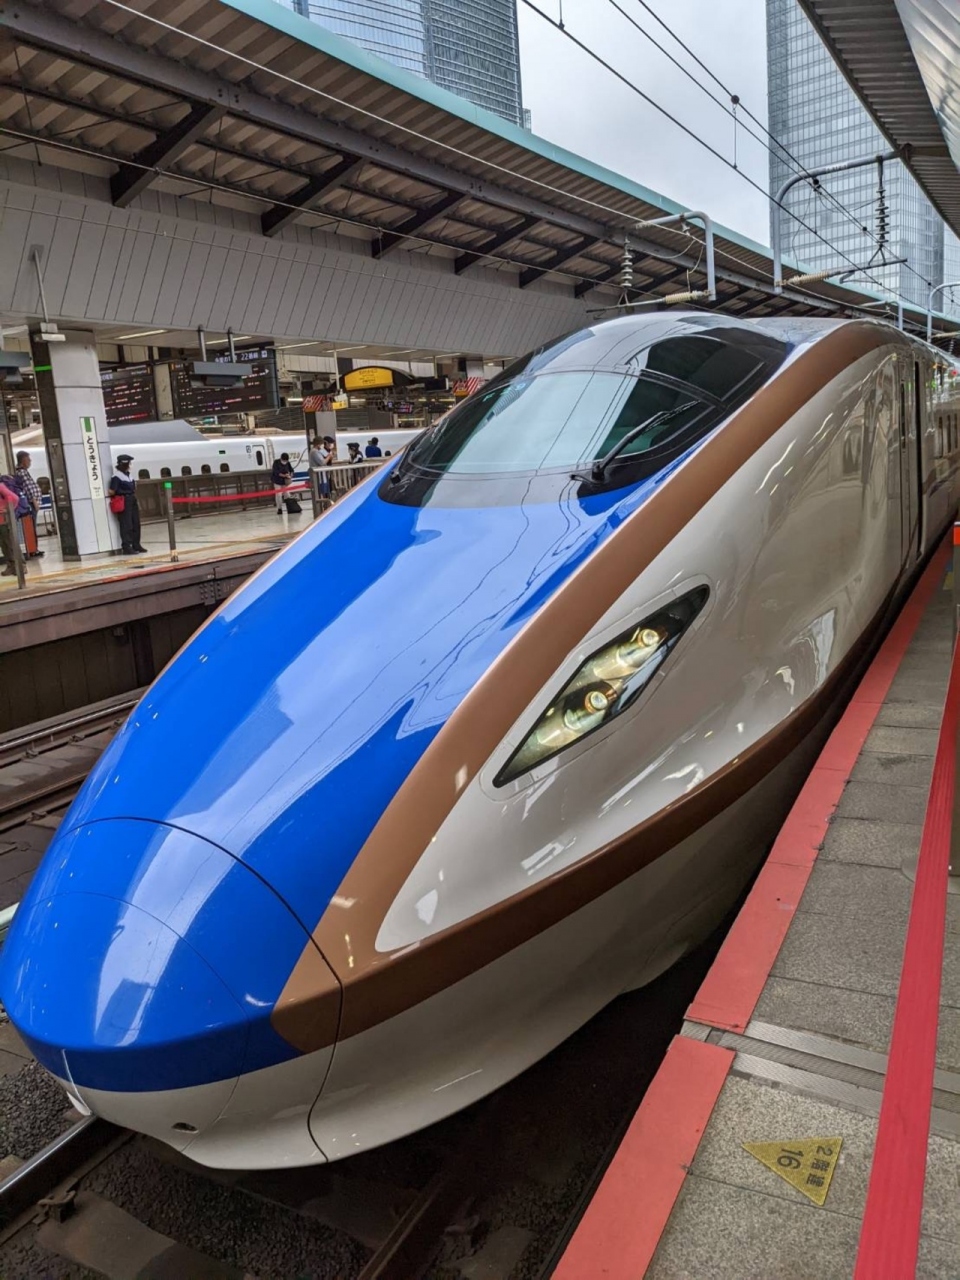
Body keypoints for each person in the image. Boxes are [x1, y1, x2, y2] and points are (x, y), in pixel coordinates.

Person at [108, 454, 146, 554]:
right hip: (124, 500)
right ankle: (127, 546)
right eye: (129, 463)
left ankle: (136, 544)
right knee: (126, 524)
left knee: (135, 523)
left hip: (132, 499)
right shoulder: (116, 476)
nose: (130, 465)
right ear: (124, 464)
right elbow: (112, 491)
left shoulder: (129, 475)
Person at [14, 451, 43, 559]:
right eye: (28, 459)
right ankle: (33, 550)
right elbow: (28, 488)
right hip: (31, 503)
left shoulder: (23, 472)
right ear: (23, 460)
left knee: (32, 526)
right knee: (31, 526)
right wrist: (35, 502)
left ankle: (34, 549)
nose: (30, 461)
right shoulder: (22, 472)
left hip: (31, 503)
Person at [0, 477, 24, 577]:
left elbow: (15, 498)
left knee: (11, 543)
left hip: (5, 520)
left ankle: (21, 566)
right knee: (4, 546)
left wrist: (7, 509)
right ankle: (11, 566)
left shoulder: (1, 486)